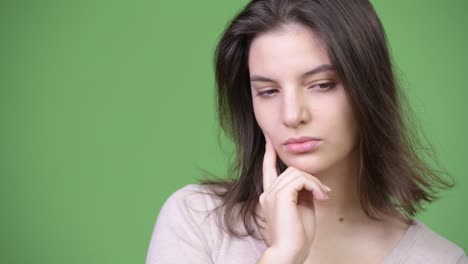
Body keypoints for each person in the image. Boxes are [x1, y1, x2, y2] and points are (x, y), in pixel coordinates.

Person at [146, 0, 467, 263]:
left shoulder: (438, 259)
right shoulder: (197, 220)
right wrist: (282, 257)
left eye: (322, 85)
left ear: (368, 88)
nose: (291, 115)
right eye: (268, 91)